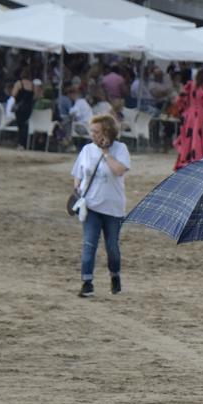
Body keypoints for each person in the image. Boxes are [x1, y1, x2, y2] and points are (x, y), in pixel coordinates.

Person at [71, 114, 130, 298]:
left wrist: (106, 153)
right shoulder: (87, 150)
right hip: (91, 206)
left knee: (112, 245)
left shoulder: (120, 149)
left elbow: (119, 170)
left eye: (96, 132)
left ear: (107, 132)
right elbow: (78, 175)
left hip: (113, 207)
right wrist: (78, 188)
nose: (93, 135)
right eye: (92, 131)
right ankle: (87, 282)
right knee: (89, 243)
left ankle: (115, 276)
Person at [10, 66, 34, 151]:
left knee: (20, 126)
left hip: (20, 108)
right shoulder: (32, 84)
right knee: (25, 126)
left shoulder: (19, 83)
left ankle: (21, 144)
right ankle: (24, 143)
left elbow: (13, 94)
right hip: (28, 108)